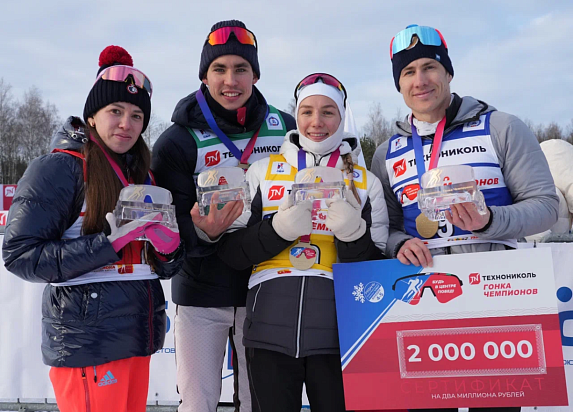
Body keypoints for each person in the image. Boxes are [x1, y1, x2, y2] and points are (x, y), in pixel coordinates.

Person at [370, 24, 559, 412]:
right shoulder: (387, 152)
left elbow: (547, 207)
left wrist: (489, 220)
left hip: (498, 295)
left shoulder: (501, 127)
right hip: (425, 299)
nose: (420, 80)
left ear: (448, 72)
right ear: (398, 84)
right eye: (408, 72)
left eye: (429, 67)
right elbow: (385, 227)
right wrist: (399, 243)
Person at [2, 46, 184, 412]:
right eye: (115, 111)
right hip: (88, 341)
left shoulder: (143, 175)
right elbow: (20, 254)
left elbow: (157, 265)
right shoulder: (58, 168)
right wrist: (106, 245)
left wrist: (168, 251)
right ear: (92, 116)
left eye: (136, 115)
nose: (126, 123)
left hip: (137, 336)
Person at [215, 73, 389, 412]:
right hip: (269, 334)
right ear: (296, 115)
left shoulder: (366, 182)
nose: (316, 122)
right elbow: (231, 253)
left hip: (341, 338)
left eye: (328, 112)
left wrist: (354, 237)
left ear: (342, 117)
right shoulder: (262, 172)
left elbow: (377, 275)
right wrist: (276, 230)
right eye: (307, 111)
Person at [151, 20, 296, 412]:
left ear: (255, 74)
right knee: (198, 402)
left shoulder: (286, 129)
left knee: (259, 401)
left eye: (241, 68)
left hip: (266, 288)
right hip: (202, 292)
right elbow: (166, 228)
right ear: (204, 76)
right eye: (219, 69)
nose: (231, 80)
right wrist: (203, 233)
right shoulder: (177, 140)